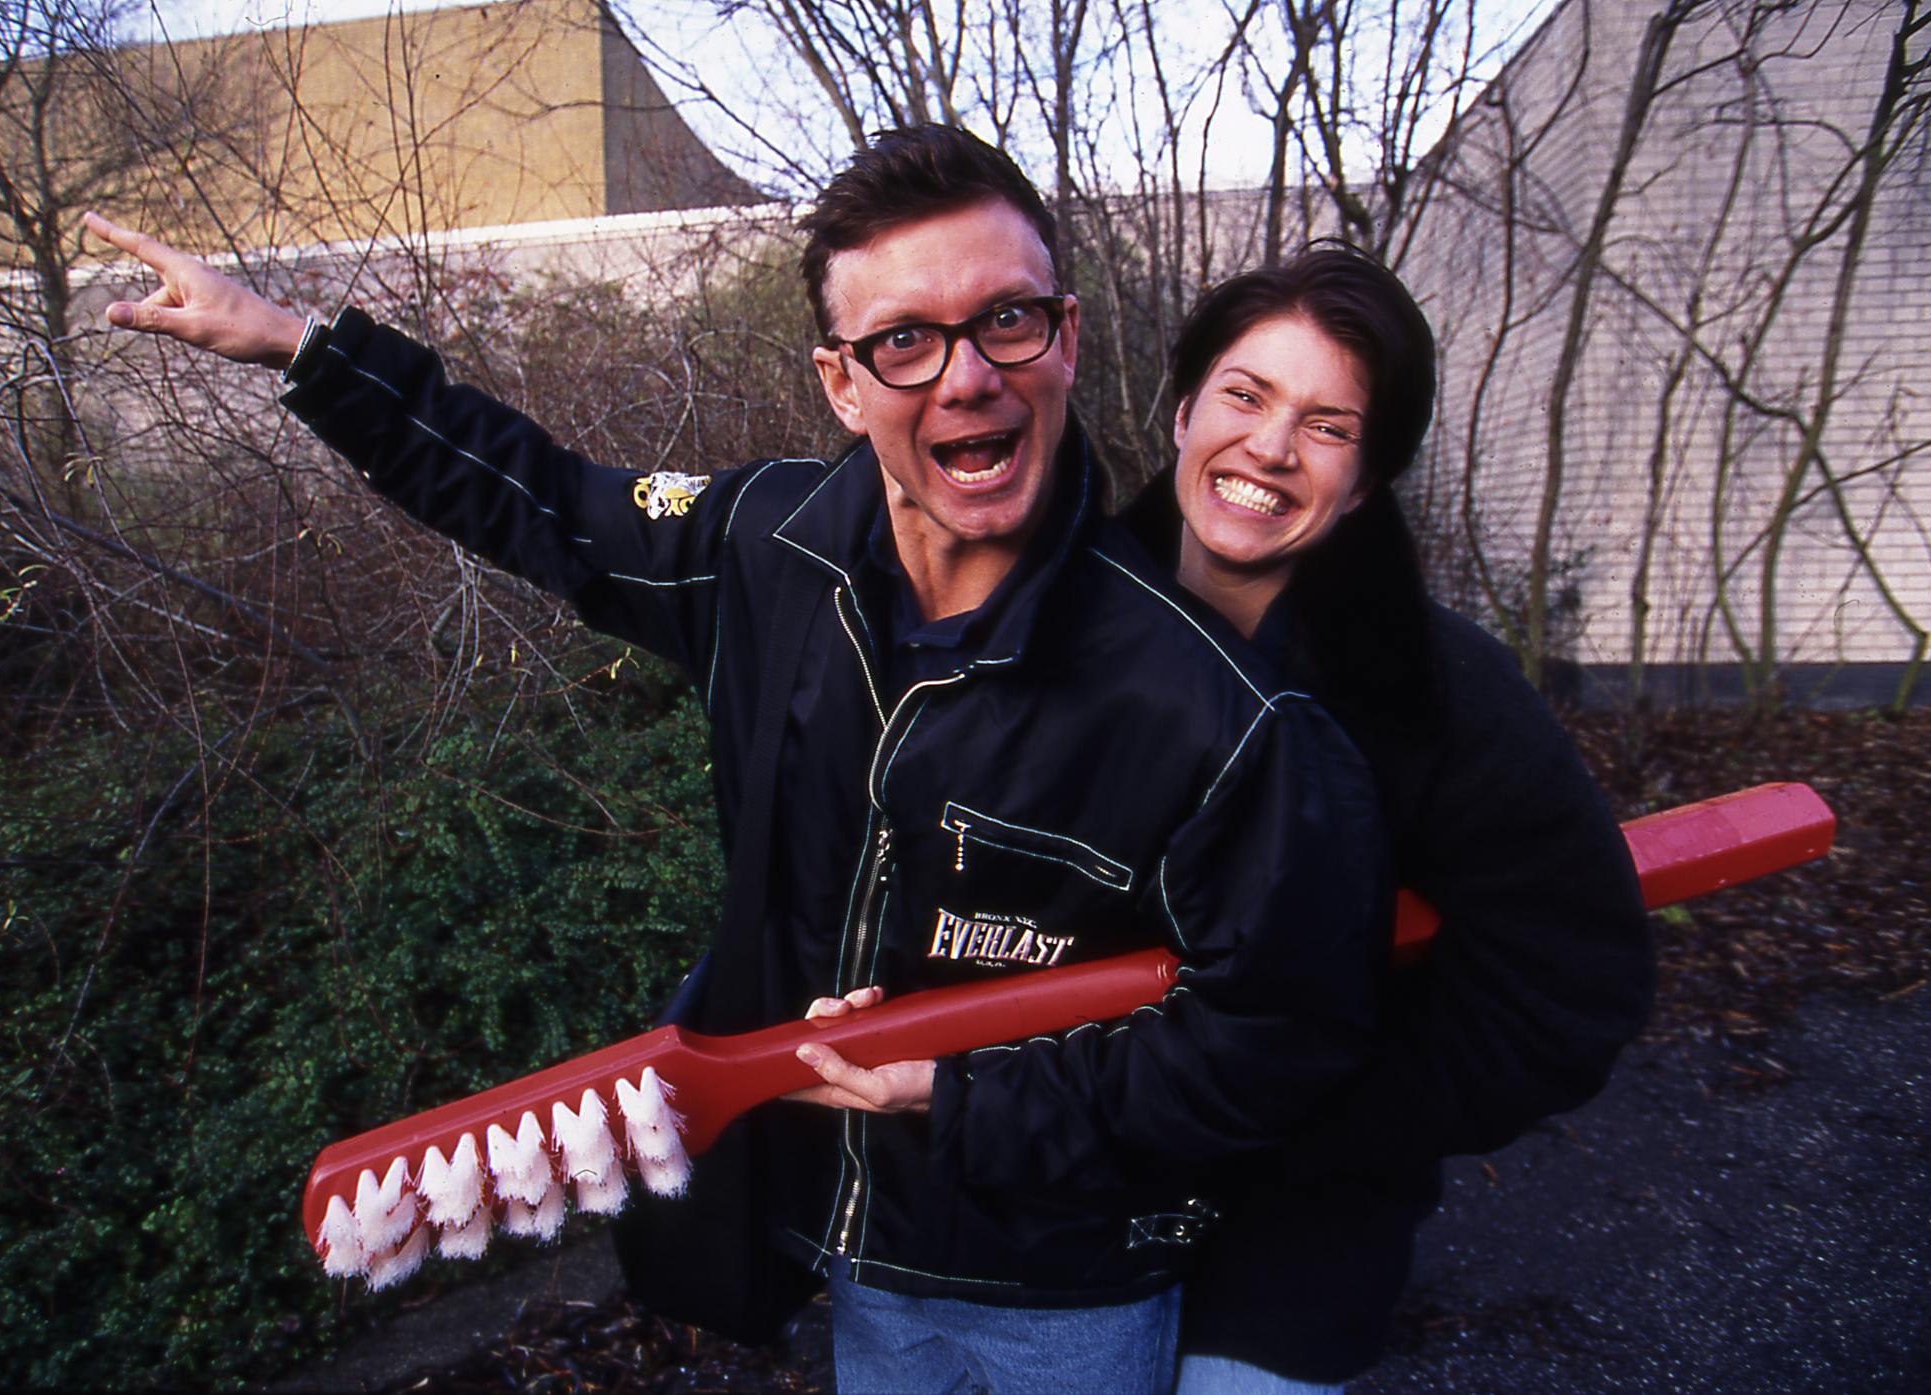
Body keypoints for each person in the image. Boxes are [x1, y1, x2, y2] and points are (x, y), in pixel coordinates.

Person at [87, 127, 1392, 1395]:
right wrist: (298, 348)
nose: (966, 377)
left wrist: (967, 1095)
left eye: (1008, 319)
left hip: (1074, 1284)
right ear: (841, 381)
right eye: (903, 340)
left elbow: (1278, 1038)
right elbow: (536, 494)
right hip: (862, 1260)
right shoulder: (765, 549)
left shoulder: (1218, 715)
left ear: (1065, 336)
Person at [1118, 247, 1653, 1393]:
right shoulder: (1040, 627)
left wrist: (1325, 1119)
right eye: (1245, 395)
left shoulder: (1432, 690)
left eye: (1326, 425)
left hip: (1289, 1235)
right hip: (1046, 1203)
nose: (1267, 448)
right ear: (1181, 412)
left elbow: (1573, 979)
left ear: (1363, 480)